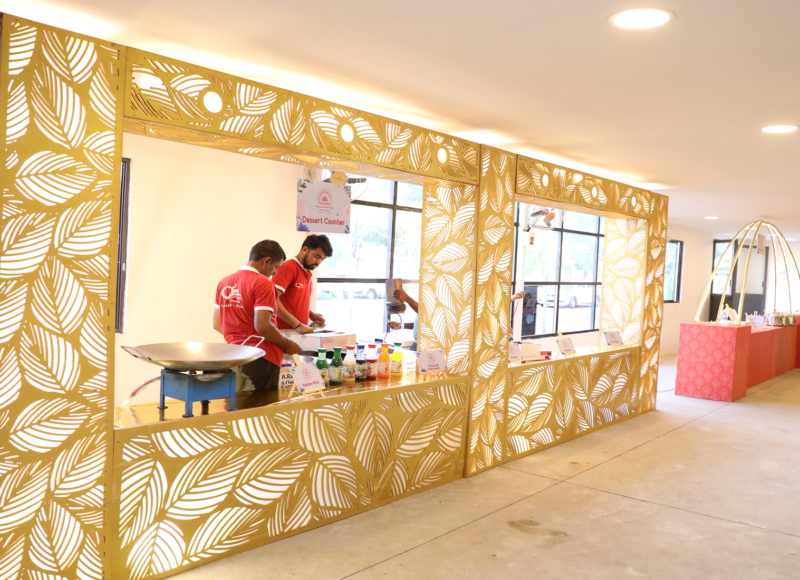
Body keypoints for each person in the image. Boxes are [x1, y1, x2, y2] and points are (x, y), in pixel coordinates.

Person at [213, 240, 302, 391]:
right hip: (261, 357)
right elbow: (263, 326)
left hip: (233, 356)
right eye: (276, 267)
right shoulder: (263, 283)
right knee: (260, 404)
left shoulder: (224, 282)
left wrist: (239, 341)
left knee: (236, 403)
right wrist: (288, 345)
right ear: (266, 261)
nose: (275, 272)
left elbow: (217, 324)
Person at [274, 234, 333, 334]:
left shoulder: (306, 272)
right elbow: (272, 299)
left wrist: (310, 314)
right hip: (282, 333)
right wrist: (297, 325)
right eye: (317, 256)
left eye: (322, 259)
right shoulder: (288, 268)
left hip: (296, 334)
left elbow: (293, 302)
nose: (319, 262)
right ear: (305, 249)